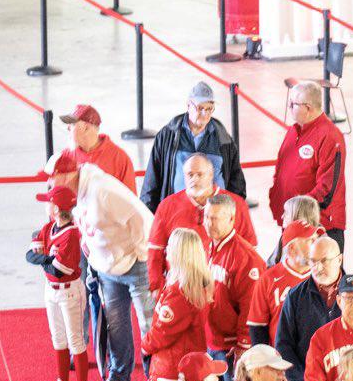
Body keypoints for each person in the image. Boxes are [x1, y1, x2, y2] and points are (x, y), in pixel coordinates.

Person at [46, 151, 155, 381]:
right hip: (107, 266)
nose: (50, 183)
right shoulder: (75, 194)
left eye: (54, 177)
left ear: (69, 174)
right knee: (115, 324)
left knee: (149, 325)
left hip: (136, 263)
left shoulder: (103, 189)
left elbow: (142, 219)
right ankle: (118, 379)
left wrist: (140, 255)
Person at [140, 229, 212, 381]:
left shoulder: (179, 292)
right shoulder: (197, 284)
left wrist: (145, 346)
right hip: (186, 362)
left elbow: (162, 332)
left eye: (170, 246)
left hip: (172, 367)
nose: (166, 250)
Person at [275, 235, 353, 381]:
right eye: (313, 261)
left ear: (339, 260)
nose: (318, 267)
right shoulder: (295, 297)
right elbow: (284, 345)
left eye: (324, 261)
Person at [146, 154, 255, 292]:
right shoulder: (167, 206)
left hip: (223, 290)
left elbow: (250, 250)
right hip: (180, 291)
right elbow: (155, 251)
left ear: (211, 175)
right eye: (190, 175)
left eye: (199, 174)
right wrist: (158, 287)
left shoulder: (236, 204)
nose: (194, 179)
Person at [27, 184, 90, 381]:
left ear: (56, 208)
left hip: (70, 291)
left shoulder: (71, 233)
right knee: (58, 339)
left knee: (75, 339)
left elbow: (59, 269)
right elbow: (30, 256)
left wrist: (44, 259)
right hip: (51, 291)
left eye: (49, 201)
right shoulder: (50, 227)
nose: (46, 205)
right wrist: (46, 260)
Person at [140, 81, 247, 213]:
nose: (205, 114)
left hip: (214, 217)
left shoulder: (223, 139)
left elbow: (237, 184)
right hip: (176, 213)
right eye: (200, 108)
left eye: (209, 109)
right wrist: (149, 217)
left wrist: (235, 214)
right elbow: (151, 183)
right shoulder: (168, 136)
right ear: (188, 105)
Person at [201, 192, 265, 381]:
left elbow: (251, 308)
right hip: (213, 342)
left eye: (215, 218)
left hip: (230, 350)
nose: (209, 223)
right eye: (207, 217)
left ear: (231, 219)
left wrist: (242, 346)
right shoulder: (210, 246)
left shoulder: (246, 258)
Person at [268, 81, 346, 248]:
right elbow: (282, 168)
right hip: (292, 221)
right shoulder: (294, 130)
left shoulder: (330, 137)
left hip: (319, 226)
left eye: (293, 104)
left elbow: (326, 190)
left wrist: (296, 210)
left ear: (308, 107)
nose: (288, 107)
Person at [246, 220, 315, 347]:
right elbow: (257, 325)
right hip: (280, 359)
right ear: (292, 248)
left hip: (316, 359)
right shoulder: (268, 278)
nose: (315, 244)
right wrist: (264, 359)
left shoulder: (323, 275)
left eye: (315, 239)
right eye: (309, 240)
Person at [61, 103, 136, 191]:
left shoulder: (119, 159)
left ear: (86, 128)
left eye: (72, 125)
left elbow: (130, 200)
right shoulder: (66, 156)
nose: (68, 128)